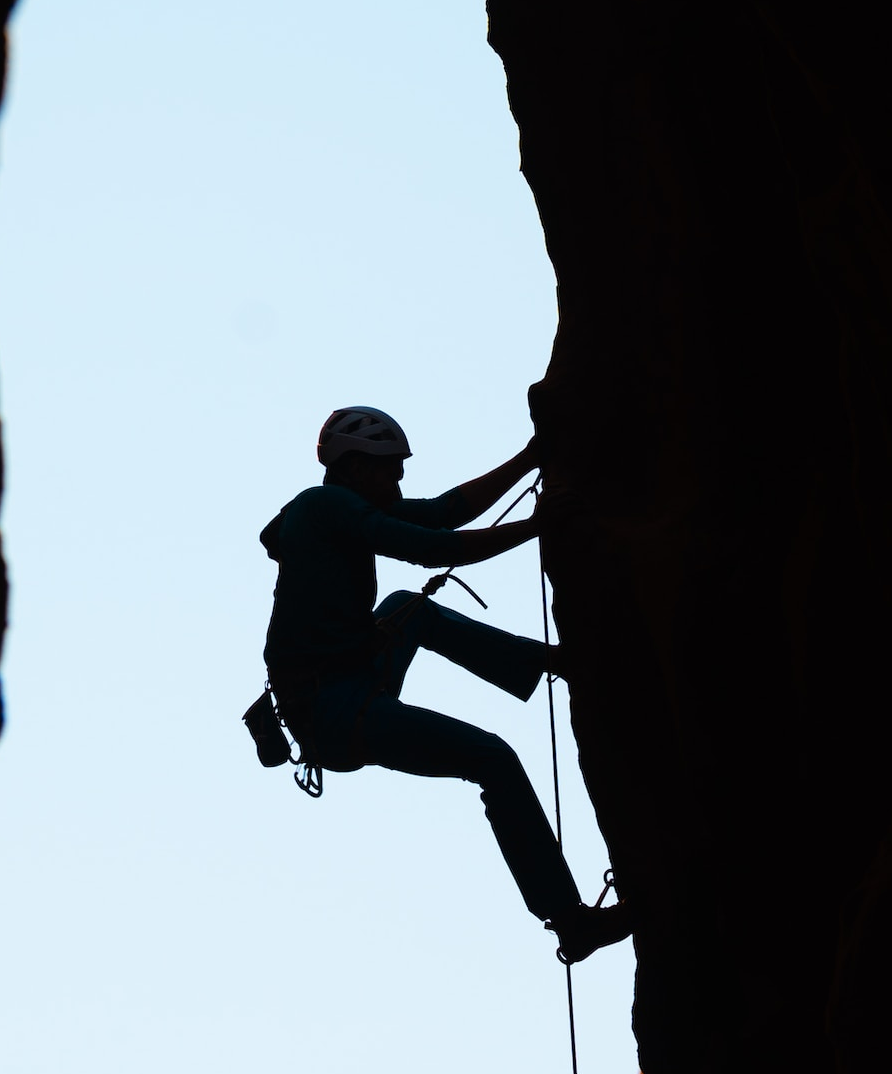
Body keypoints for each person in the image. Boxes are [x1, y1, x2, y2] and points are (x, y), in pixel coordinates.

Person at [260, 406, 631, 964]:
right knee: (493, 759)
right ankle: (570, 920)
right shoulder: (325, 506)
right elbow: (433, 546)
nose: (399, 481)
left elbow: (439, 515)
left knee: (409, 608)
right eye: (391, 469)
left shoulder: (338, 507)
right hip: (333, 708)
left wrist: (528, 460)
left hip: (344, 686)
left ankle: (552, 662)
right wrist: (538, 526)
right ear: (357, 467)